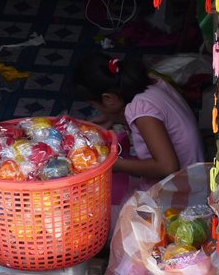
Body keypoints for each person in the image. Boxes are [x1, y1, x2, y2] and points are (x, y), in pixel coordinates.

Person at [74, 51, 203, 182]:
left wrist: (114, 164)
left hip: (186, 187)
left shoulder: (141, 111)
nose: (97, 109)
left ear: (108, 98)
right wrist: (110, 117)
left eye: (94, 104)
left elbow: (167, 167)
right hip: (195, 171)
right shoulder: (149, 80)